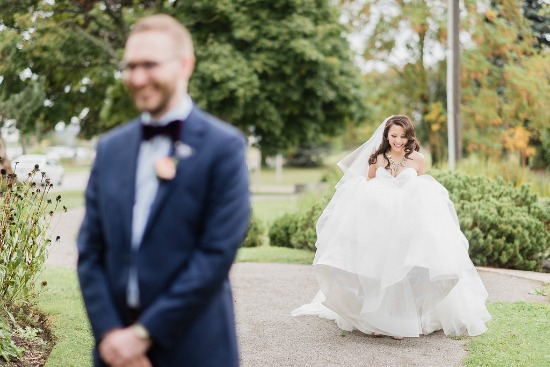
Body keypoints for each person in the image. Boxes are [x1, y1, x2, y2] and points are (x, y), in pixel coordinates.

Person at [77, 14, 250, 367]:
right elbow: (91, 252)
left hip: (195, 348)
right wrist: (111, 335)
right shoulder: (110, 148)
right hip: (114, 353)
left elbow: (215, 256)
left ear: (185, 65)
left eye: (150, 65)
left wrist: (142, 337)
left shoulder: (224, 147)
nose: (137, 78)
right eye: (130, 66)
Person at [292, 115, 491, 339]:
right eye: (393, 135)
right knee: (378, 267)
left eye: (402, 136)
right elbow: (368, 185)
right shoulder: (376, 158)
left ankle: (405, 318)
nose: (397, 140)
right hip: (380, 223)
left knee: (406, 268)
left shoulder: (418, 159)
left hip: (407, 221)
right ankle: (378, 318)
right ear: (386, 135)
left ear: (409, 136)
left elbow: (422, 187)